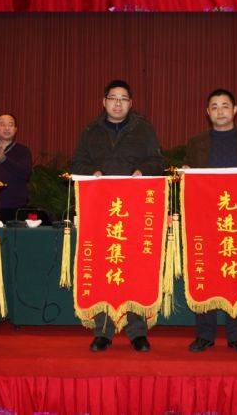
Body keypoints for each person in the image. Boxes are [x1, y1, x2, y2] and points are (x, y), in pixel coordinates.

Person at [67, 78, 165, 352]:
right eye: (113, 98)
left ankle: (137, 332)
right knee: (103, 266)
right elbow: (77, 163)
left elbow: (158, 161)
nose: (118, 103)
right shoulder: (91, 130)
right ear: (104, 102)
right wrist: (92, 173)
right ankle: (103, 331)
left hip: (134, 211)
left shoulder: (144, 129)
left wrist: (143, 171)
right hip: (100, 211)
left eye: (123, 99)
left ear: (131, 103)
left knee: (134, 267)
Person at [182, 88, 237, 354]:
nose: (220, 111)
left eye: (225, 106)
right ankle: (204, 335)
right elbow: (189, 177)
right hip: (206, 221)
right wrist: (185, 175)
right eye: (214, 107)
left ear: (235, 110)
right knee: (205, 273)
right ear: (207, 112)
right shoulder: (196, 143)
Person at [0, 112, 33, 220]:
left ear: (15, 129)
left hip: (16, 207)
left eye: (10, 125)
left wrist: (4, 160)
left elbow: (25, 174)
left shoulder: (23, 151)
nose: (7, 128)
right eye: (2, 124)